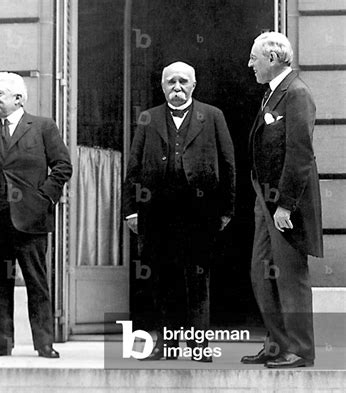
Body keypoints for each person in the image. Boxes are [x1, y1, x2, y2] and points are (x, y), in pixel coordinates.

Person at [123, 61, 235, 361]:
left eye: (183, 82)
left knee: (198, 280)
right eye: (171, 82)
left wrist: (226, 209)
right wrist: (131, 210)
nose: (177, 87)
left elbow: (228, 165)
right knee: (160, 280)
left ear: (193, 86)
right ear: (163, 87)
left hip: (199, 213)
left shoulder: (212, 116)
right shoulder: (149, 118)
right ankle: (166, 347)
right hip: (156, 213)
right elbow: (132, 168)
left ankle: (199, 347)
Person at [241, 32, 323, 368]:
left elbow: (300, 152)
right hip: (266, 201)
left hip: (287, 205)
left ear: (273, 58)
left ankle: (300, 349)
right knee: (261, 272)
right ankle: (277, 345)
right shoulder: (272, 95)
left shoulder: (296, 93)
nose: (250, 65)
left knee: (290, 276)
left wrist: (286, 204)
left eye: (254, 58)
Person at [0, 72, 72, 358]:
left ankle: (44, 343)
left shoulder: (42, 127)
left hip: (31, 220)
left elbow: (63, 166)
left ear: (18, 99)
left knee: (36, 281)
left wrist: (43, 198)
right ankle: (2, 343)